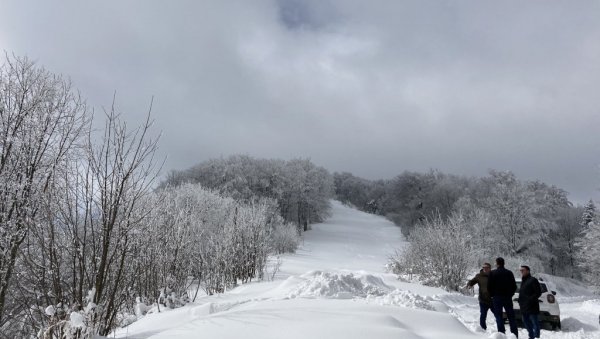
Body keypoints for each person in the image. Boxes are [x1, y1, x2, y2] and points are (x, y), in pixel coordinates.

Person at [488, 257, 518, 337]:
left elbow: (489, 286)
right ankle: (514, 335)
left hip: (497, 297)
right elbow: (514, 286)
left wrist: (492, 295)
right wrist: (510, 294)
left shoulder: (492, 273)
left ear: (497, 263)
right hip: (507, 297)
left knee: (498, 316)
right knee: (511, 316)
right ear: (504, 263)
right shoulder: (509, 273)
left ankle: (501, 334)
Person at [466, 262, 493, 330]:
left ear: (490, 268)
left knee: (498, 315)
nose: (485, 269)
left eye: (487, 267)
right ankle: (483, 330)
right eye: (484, 267)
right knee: (483, 315)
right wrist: (469, 284)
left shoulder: (494, 275)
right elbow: (472, 281)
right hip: (483, 299)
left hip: (493, 299)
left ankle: (501, 331)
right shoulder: (479, 276)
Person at [518, 265, 542, 339]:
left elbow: (538, 292)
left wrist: (530, 299)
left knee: (535, 322)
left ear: (528, 271)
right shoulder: (523, 280)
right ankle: (531, 336)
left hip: (532, 306)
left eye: (523, 270)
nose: (521, 271)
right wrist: (520, 300)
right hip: (524, 306)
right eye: (520, 270)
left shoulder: (533, 280)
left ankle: (536, 337)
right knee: (526, 322)